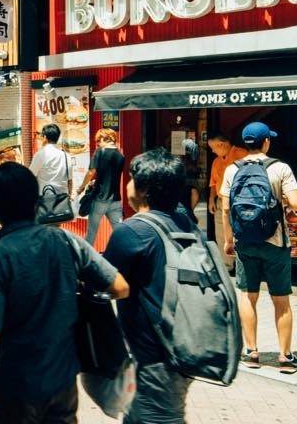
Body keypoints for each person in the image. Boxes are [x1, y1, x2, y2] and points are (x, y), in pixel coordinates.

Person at [0, 161, 127, 424]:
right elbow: (120, 286)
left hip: (12, 390)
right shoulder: (65, 242)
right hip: (62, 384)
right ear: (35, 199)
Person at [103, 148, 199, 423]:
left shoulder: (133, 230)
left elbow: (105, 281)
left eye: (132, 179)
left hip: (155, 357)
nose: (128, 185)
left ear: (144, 190)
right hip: (184, 346)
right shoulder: (185, 222)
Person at [217, 122, 297, 373]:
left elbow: (225, 208)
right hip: (275, 241)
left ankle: (251, 352)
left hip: (245, 241)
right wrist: (283, 198)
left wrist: (229, 240)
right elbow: (296, 204)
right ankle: (286, 357)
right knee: (281, 300)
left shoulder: (232, 169)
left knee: (247, 294)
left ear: (245, 143)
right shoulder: (280, 168)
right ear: (266, 142)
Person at [78, 127, 125, 246]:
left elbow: (91, 172)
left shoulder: (100, 151)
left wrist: (82, 187)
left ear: (105, 138)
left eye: (99, 140)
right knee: (120, 232)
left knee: (91, 233)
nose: (98, 143)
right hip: (115, 200)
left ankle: (85, 259)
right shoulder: (120, 155)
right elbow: (110, 174)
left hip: (100, 198)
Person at [205, 134, 250, 252]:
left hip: (239, 202)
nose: (213, 150)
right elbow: (213, 183)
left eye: (214, 147)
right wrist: (211, 200)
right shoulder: (216, 161)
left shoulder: (242, 155)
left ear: (222, 144)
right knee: (222, 236)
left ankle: (240, 266)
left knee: (241, 234)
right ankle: (226, 268)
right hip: (220, 202)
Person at [29, 122, 70, 199]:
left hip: (45, 199)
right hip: (62, 200)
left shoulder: (40, 154)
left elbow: (30, 176)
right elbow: (70, 180)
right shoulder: (66, 156)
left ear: (45, 137)